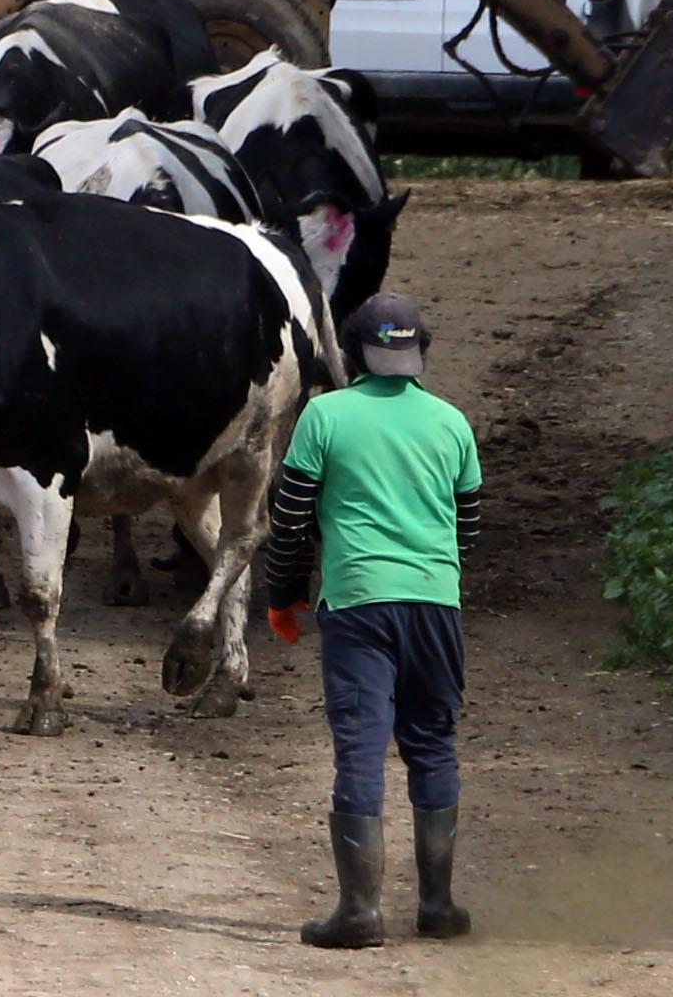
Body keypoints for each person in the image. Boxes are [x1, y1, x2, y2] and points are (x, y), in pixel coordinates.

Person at [265, 291, 482, 949]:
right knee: (433, 743)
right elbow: (468, 528)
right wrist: (431, 574)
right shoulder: (452, 423)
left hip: (358, 603)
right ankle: (438, 905)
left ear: (354, 354)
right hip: (436, 603)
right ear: (421, 352)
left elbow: (289, 519)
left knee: (361, 748)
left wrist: (283, 594)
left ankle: (360, 912)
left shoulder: (325, 415)